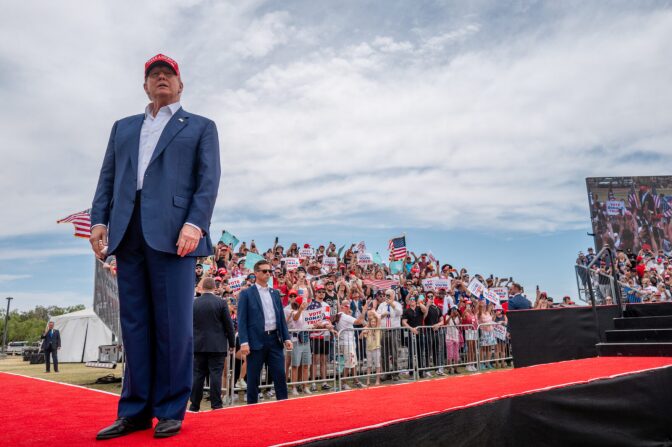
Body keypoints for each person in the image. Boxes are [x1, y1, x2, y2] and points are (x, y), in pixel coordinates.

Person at [91, 54, 221, 440]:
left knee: (172, 325)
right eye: (153, 74)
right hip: (128, 231)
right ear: (144, 85)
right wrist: (100, 220)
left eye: (168, 74)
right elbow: (108, 177)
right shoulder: (124, 127)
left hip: (174, 235)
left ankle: (169, 408)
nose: (161, 78)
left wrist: (195, 224)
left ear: (180, 85)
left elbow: (207, 179)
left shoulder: (200, 126)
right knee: (134, 325)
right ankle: (134, 410)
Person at [237, 260, 292, 404]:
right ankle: (252, 407)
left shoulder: (275, 293)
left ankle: (283, 405)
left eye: (270, 271)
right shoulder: (246, 294)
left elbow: (280, 317)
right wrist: (244, 342)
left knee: (280, 375)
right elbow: (241, 320)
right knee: (253, 377)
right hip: (255, 341)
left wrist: (286, 338)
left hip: (274, 339)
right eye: (265, 271)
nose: (268, 273)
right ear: (256, 273)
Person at [189, 278, 236, 412]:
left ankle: (194, 405)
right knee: (216, 375)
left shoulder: (194, 303)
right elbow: (229, 325)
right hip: (217, 345)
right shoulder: (221, 303)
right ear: (215, 288)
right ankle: (216, 404)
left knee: (198, 375)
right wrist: (232, 343)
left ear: (202, 287)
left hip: (199, 345)